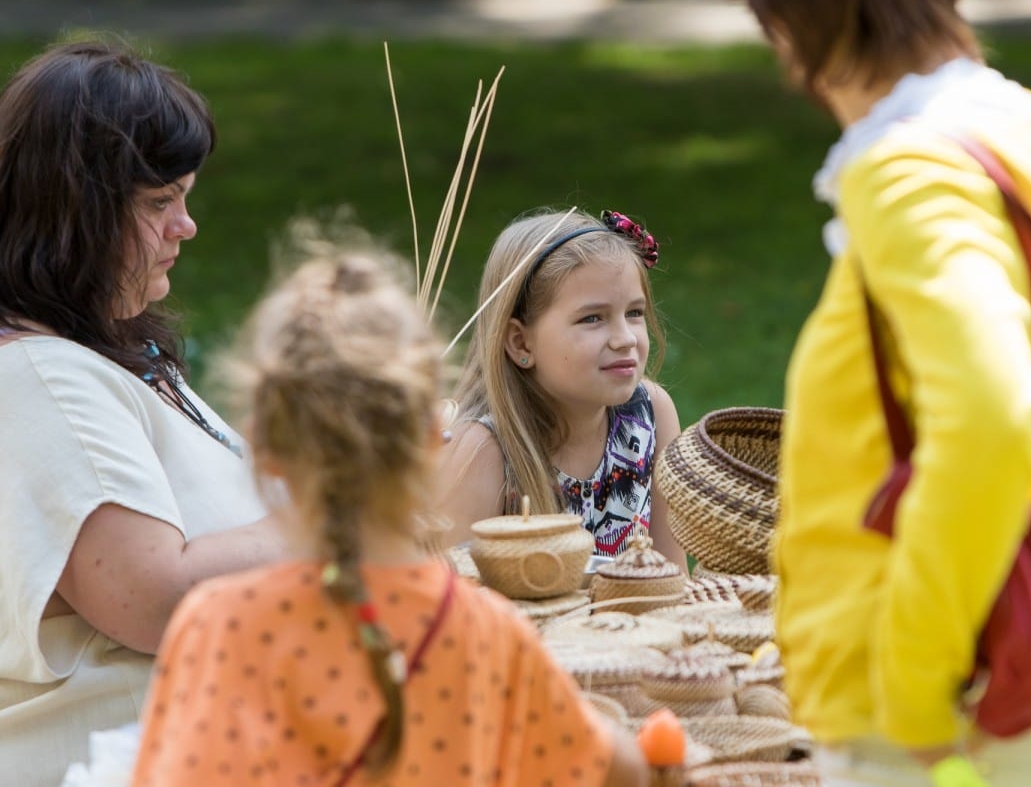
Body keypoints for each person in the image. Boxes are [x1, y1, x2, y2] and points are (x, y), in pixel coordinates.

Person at [718, 0, 1031, 784]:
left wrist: (913, 685)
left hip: (946, 728)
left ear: (788, 25)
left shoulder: (911, 167)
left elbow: (992, 418)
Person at [130, 227, 651, 787]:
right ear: (433, 435)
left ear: (265, 446)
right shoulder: (489, 631)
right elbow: (613, 768)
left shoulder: (217, 626)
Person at [0, 39, 286, 786]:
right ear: (75, 212)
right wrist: (343, 509)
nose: (185, 226)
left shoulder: (105, 351)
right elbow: (156, 598)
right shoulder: (38, 375)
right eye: (160, 202)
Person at [435, 207, 688, 572]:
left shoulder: (650, 415)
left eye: (634, 313)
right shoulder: (482, 453)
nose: (625, 339)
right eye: (592, 318)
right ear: (521, 343)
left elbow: (673, 582)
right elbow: (454, 610)